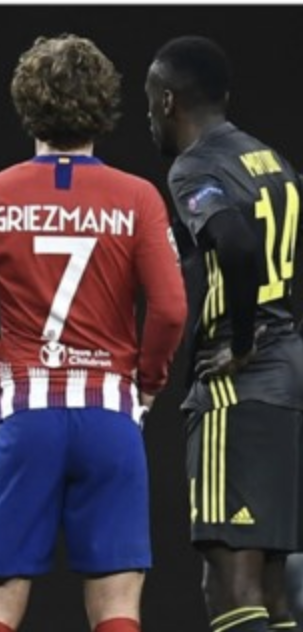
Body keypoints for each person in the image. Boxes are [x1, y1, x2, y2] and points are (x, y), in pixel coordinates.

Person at [0, 33, 187, 632]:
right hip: (109, 417)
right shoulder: (137, 198)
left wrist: (5, 370)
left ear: (27, 104)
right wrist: (148, 383)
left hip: (27, 415)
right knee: (117, 602)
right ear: (103, 105)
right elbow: (171, 310)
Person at [145, 34, 303, 632]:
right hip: (287, 378)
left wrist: (239, 341)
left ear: (166, 100)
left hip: (238, 387)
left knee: (229, 582)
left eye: (148, 100)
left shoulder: (195, 167)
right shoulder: (272, 161)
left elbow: (232, 241)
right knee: (273, 588)